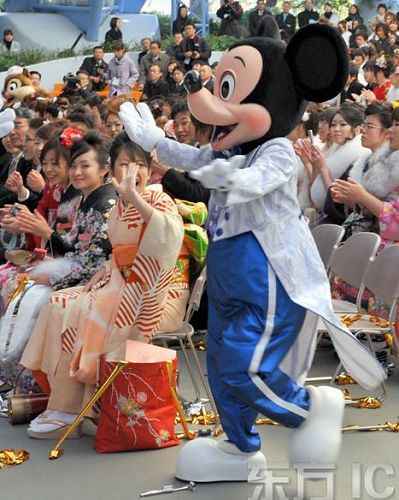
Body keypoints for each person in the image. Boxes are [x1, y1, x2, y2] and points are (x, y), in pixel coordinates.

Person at [21, 133, 185, 438]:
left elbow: (167, 238)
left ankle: (79, 407)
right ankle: (60, 399)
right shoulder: (118, 208)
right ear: (113, 168)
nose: (132, 172)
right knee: (59, 303)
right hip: (120, 282)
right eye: (125, 164)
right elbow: (118, 249)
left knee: (87, 309)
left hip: (153, 290)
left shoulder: (158, 198)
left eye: (139, 165)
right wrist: (109, 268)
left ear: (149, 170)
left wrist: (134, 197)